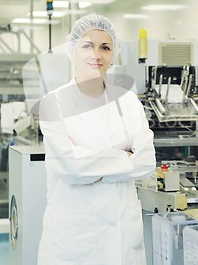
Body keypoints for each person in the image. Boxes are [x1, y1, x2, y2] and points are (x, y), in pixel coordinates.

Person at [37, 14, 156, 265]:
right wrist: (124, 157)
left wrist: (90, 164)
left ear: (114, 54)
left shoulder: (128, 101)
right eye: (87, 46)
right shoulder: (53, 103)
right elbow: (70, 167)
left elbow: (146, 161)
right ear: (72, 51)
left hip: (122, 234)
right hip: (76, 237)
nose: (96, 55)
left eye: (105, 47)